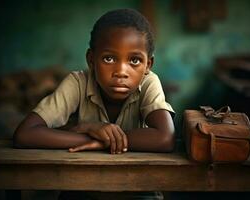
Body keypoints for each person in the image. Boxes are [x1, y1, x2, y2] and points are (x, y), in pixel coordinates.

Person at [14, 8, 175, 200]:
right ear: (91, 59)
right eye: (109, 58)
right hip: (82, 189)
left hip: (138, 190)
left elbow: (165, 138)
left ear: (148, 65)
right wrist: (92, 134)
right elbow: (25, 134)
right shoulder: (78, 82)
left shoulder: (149, 82)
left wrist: (98, 141)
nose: (121, 72)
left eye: (134, 60)